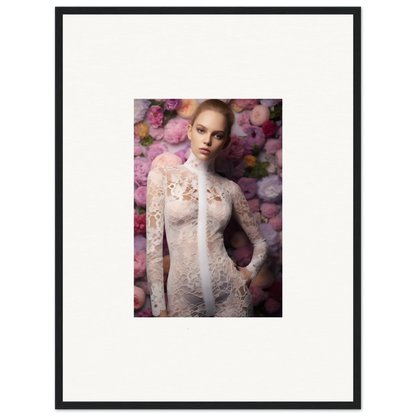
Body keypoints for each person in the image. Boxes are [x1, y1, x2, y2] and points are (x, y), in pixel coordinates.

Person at [146, 99, 269, 317]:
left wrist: (249, 272)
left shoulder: (230, 189)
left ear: (226, 141)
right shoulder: (162, 177)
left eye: (217, 135)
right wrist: (158, 309)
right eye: (202, 130)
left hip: (232, 293)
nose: (208, 141)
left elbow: (260, 242)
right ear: (190, 130)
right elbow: (153, 250)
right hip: (183, 297)